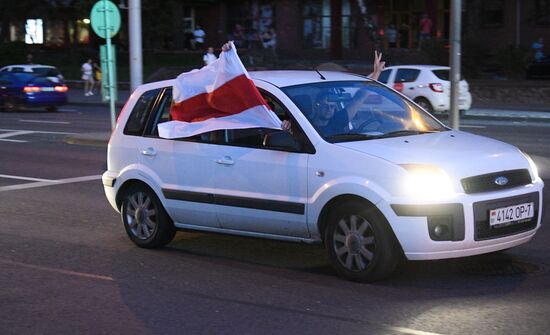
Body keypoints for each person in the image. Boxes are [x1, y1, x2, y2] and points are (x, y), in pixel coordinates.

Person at [281, 51, 386, 135]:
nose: (329, 109)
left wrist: (376, 72)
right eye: (325, 105)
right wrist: (288, 128)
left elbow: (360, 98)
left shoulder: (338, 120)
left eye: (332, 106)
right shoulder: (305, 123)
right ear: (317, 106)